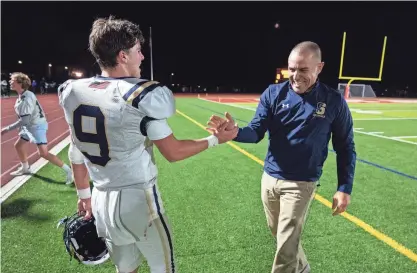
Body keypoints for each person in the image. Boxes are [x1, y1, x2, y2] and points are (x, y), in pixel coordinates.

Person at [58, 16, 238, 273]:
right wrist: (215, 139)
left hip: (100, 199)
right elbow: (173, 152)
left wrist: (83, 195)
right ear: (122, 56)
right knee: (164, 268)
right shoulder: (139, 97)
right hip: (138, 201)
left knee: (126, 270)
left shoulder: (73, 91)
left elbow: (75, 152)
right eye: (138, 51)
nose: (142, 57)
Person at [207, 41, 356, 273]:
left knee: (285, 250)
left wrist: (344, 187)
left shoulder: (333, 101)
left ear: (319, 67)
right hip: (269, 178)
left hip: (301, 183)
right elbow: (256, 131)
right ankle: (303, 268)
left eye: (303, 70)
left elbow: (346, 147)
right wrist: (235, 133)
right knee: (283, 238)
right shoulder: (274, 93)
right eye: (292, 69)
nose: (295, 76)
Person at [1, 72, 73, 184]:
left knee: (43, 153)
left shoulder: (26, 98)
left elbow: (24, 120)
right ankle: (25, 168)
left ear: (20, 83)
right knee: (19, 145)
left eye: (12, 80)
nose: (10, 82)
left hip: (36, 126)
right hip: (30, 125)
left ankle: (69, 171)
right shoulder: (23, 95)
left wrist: (7, 129)